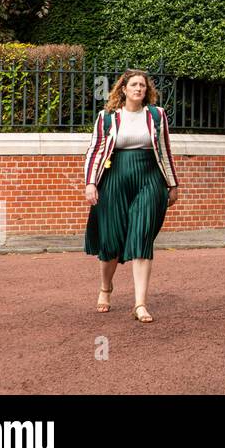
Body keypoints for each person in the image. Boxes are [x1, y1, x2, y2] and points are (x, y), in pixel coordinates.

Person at [82, 69, 180, 323]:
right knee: (111, 242)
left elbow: (165, 150)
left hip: (149, 179)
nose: (139, 89)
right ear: (123, 89)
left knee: (141, 237)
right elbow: (94, 151)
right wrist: (91, 183)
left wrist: (172, 184)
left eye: (143, 86)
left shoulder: (157, 116)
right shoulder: (107, 118)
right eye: (134, 85)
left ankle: (140, 304)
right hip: (115, 179)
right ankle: (106, 287)